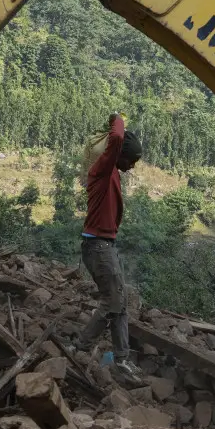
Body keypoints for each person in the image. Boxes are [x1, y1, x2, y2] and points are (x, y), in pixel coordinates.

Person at [78, 113, 142, 366]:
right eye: (132, 159)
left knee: (120, 303)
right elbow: (116, 136)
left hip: (104, 246)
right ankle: (80, 348)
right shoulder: (104, 171)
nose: (133, 165)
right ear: (118, 155)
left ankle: (121, 360)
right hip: (98, 246)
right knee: (112, 302)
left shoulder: (111, 173)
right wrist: (118, 117)